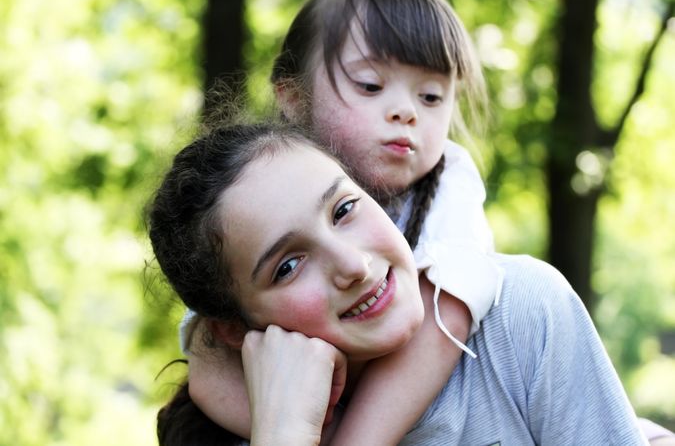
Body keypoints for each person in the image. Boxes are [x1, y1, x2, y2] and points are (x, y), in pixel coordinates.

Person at [149, 122, 647, 444]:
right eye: (288, 266)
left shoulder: (520, 318)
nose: (354, 266)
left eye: (344, 209)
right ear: (236, 329)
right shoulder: (236, 433)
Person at [185, 0, 504, 443]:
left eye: (431, 96)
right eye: (371, 85)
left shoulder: (452, 183)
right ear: (294, 98)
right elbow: (207, 364)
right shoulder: (254, 201)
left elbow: (446, 312)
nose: (407, 111)